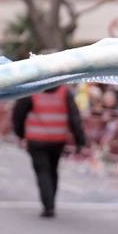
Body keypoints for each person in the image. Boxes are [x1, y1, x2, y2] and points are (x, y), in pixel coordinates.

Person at [12, 84, 86, 218]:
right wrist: (80, 140)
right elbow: (75, 117)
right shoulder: (64, 92)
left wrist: (20, 134)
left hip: (36, 140)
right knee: (52, 171)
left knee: (42, 172)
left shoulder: (32, 91)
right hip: (57, 140)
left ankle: (48, 205)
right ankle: (50, 201)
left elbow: (18, 114)